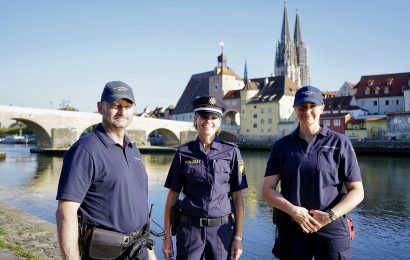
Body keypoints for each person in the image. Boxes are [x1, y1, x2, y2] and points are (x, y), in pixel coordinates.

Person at [56, 81, 157, 260]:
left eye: (127, 106)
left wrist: (150, 252)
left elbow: (140, 209)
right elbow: (66, 211)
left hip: (139, 252)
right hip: (105, 254)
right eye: (115, 105)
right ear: (100, 107)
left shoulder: (134, 150)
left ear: (134, 110)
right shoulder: (86, 150)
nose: (122, 111)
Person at [261, 86, 364, 260]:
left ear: (322, 108)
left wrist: (330, 216)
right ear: (295, 110)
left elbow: (357, 191)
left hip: (331, 227)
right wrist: (293, 210)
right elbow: (267, 190)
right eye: (302, 107)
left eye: (312, 106)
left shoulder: (340, 143)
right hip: (293, 227)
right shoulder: (282, 146)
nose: (307, 111)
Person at [162, 96, 248, 260]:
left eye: (213, 117)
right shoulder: (183, 152)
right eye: (204, 116)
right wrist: (167, 238)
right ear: (196, 119)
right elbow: (172, 197)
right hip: (189, 231)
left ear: (219, 122)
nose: (208, 121)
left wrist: (238, 238)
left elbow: (238, 198)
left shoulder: (231, 152)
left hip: (221, 232)